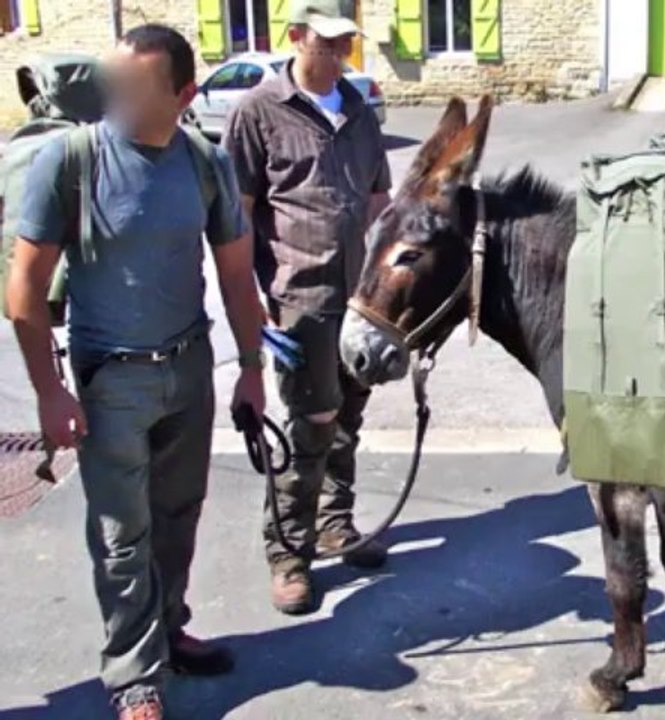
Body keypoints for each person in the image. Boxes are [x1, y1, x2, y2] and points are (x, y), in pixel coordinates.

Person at [6, 25, 266, 720]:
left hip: (188, 369)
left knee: (178, 516)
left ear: (182, 96)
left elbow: (239, 280)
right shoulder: (73, 160)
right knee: (124, 536)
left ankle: (169, 628)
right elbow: (24, 287)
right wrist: (48, 391)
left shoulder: (207, 163)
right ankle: (133, 677)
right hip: (109, 379)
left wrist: (251, 370)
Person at [223, 0, 392, 615]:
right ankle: (289, 552)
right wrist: (248, 302)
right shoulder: (255, 112)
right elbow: (235, 219)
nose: (340, 52)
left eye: (346, 41)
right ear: (295, 37)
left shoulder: (358, 110)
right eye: (328, 41)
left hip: (360, 300)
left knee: (349, 412)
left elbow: (379, 200)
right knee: (308, 423)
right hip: (301, 299)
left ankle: (333, 522)